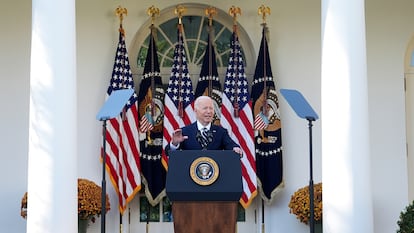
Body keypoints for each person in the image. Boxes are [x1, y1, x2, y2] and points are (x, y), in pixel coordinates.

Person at [166, 95, 243, 155]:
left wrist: (235, 148)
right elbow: (168, 152)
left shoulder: (221, 132)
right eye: (205, 108)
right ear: (195, 110)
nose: (209, 111)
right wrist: (174, 143)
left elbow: (232, 146)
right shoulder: (185, 132)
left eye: (211, 108)